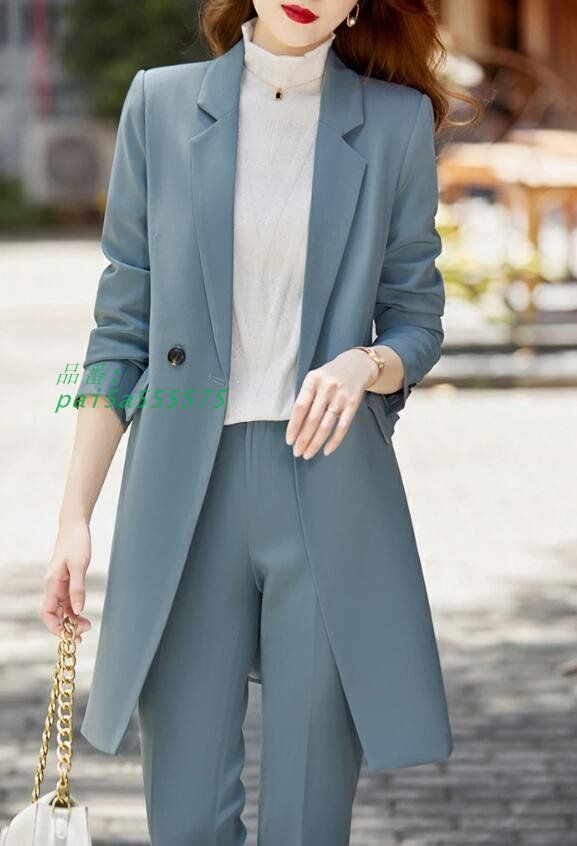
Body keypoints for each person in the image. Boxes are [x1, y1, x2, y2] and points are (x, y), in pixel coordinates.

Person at [41, 2, 479, 844]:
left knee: (308, 816)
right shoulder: (160, 105)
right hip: (183, 499)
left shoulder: (391, 124)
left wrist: (363, 364)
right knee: (183, 821)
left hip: (327, 490)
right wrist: (73, 519)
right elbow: (120, 331)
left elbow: (416, 320)